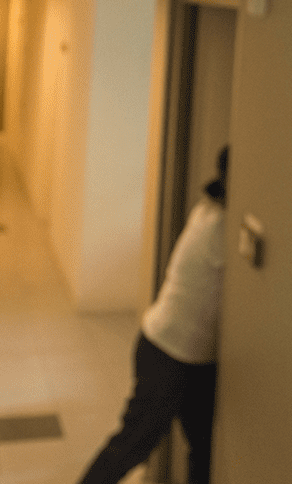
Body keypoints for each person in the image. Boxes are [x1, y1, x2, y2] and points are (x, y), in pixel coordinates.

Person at [78, 147, 228, 484]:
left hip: (187, 355)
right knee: (134, 444)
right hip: (168, 354)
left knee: (204, 448)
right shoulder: (220, 229)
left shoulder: (206, 210)